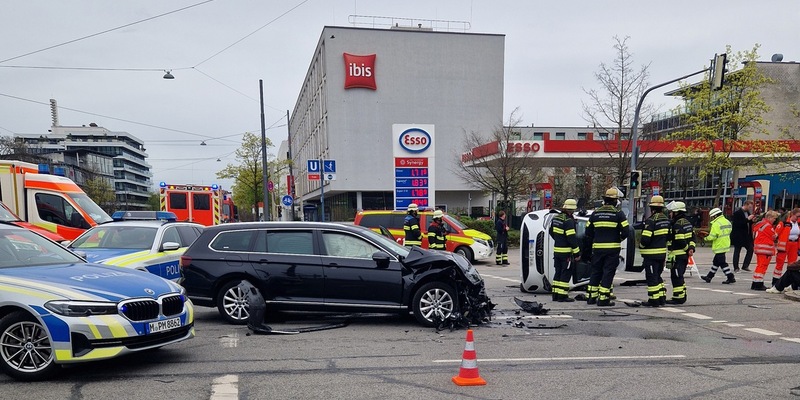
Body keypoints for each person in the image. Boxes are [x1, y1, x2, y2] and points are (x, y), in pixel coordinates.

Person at [585, 188, 629, 306]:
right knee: (607, 273)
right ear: (615, 201)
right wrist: (618, 239)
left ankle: (591, 297)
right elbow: (626, 231)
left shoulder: (596, 213)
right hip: (612, 249)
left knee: (596, 272)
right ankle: (603, 299)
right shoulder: (618, 214)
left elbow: (588, 232)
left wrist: (596, 238)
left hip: (597, 249)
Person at [639, 196, 671, 306]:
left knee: (651, 277)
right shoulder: (667, 220)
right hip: (661, 254)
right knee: (657, 276)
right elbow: (669, 237)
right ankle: (661, 298)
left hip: (651, 255)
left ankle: (654, 300)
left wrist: (641, 246)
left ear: (652, 208)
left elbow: (645, 239)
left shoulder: (651, 221)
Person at [549, 199, 581, 302]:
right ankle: (562, 296)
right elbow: (571, 238)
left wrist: (559, 240)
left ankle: (555, 295)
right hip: (566, 253)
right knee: (566, 273)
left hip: (557, 251)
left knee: (557, 272)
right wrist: (577, 253)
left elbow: (551, 232)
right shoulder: (568, 221)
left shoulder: (556, 218)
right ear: (571, 210)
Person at [666, 201, 696, 304]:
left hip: (678, 254)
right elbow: (693, 237)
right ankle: (681, 294)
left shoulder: (677, 224)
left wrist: (687, 248)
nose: (670, 214)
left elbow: (680, 239)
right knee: (680, 275)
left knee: (676, 275)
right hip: (684, 255)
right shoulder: (688, 222)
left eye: (672, 212)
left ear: (676, 212)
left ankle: (678, 297)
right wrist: (691, 248)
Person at [701, 207, 735, 284]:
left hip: (719, 245)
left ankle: (730, 277)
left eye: (712, 217)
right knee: (716, 262)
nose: (712, 218)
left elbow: (712, 236)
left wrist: (705, 238)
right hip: (725, 244)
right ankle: (709, 277)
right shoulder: (727, 221)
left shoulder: (716, 224)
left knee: (722, 263)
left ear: (715, 216)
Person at [751, 210, 780, 291]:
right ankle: (759, 284)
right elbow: (774, 236)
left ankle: (755, 282)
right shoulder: (768, 226)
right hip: (765, 249)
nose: (775, 220)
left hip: (759, 248)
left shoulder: (759, 224)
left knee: (759, 266)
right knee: (762, 266)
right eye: (774, 218)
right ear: (769, 217)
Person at [772, 208, 800, 287]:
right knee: (779, 264)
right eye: (797, 216)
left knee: (792, 265)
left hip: (794, 244)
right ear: (792, 215)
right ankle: (776, 281)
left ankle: (790, 283)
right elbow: (776, 233)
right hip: (784, 245)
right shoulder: (784, 223)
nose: (798, 218)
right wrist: (775, 237)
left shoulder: (798, 224)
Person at [731, 200, 756, 272]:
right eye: (749, 207)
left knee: (750, 249)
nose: (750, 208)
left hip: (746, 236)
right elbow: (738, 224)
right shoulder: (737, 213)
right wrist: (747, 219)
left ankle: (745, 265)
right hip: (739, 235)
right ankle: (736, 267)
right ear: (746, 205)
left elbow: (747, 223)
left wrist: (752, 221)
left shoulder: (747, 213)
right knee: (737, 251)